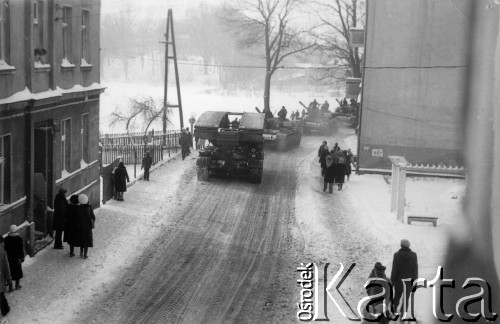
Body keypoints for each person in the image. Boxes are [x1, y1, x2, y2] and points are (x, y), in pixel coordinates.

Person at [390, 239, 418, 315]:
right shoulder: (414, 255)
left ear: (401, 246)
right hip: (409, 282)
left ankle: (394, 309)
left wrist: (392, 282)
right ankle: (403, 313)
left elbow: (394, 270)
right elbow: (415, 270)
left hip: (399, 281)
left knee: (397, 296)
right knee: (406, 299)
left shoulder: (397, 255)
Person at [4, 225, 24, 292]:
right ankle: (17, 286)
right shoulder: (19, 239)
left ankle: (10, 288)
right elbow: (21, 249)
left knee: (10, 272)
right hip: (17, 258)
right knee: (17, 272)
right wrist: (22, 257)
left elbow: (5, 249)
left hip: (9, 258)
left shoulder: (6, 239)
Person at [77, 194, 95, 259]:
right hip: (87, 227)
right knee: (86, 241)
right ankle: (85, 254)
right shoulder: (89, 208)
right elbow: (93, 217)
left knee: (81, 239)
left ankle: (81, 252)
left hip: (80, 226)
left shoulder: (78, 208)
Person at [0, 236, 12, 319]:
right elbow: (6, 268)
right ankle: (5, 310)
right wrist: (9, 280)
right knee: (1, 296)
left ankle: (5, 309)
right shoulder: (2, 253)